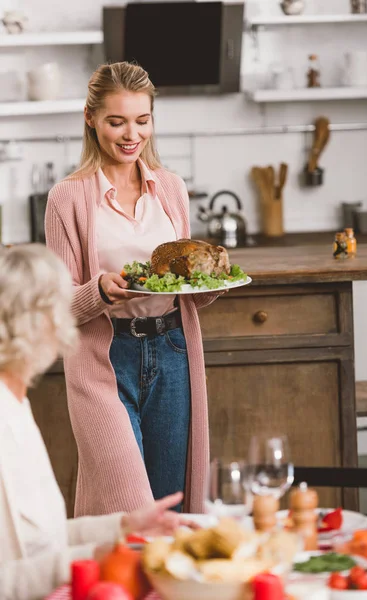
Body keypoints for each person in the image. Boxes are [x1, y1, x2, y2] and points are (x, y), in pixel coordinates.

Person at [45, 61, 220, 517]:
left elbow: (187, 291)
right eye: (116, 121)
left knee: (169, 506)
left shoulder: (171, 189)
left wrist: (212, 280)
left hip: (173, 352)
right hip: (106, 360)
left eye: (142, 121)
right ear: (90, 118)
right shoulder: (68, 198)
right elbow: (59, 306)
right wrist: (100, 290)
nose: (131, 135)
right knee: (129, 509)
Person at [0, 244, 190, 600]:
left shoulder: (16, 405)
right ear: (38, 322)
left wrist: (123, 527)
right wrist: (96, 557)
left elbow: (42, 540)